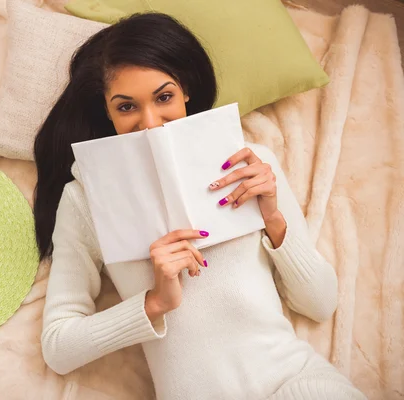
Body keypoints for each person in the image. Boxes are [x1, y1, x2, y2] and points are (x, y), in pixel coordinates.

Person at [33, 12, 366, 400]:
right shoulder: (86, 199)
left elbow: (321, 305)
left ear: (186, 90)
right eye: (127, 107)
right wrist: (154, 303)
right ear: (106, 110)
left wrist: (273, 220)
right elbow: (58, 347)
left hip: (299, 384)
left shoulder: (248, 163)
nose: (151, 124)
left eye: (164, 97)